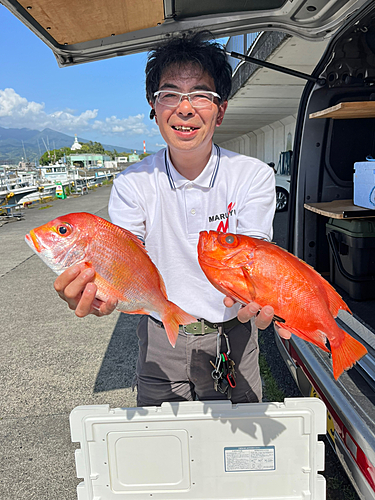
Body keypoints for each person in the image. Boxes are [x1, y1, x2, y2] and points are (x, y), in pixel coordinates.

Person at [54, 31, 290, 406]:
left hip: (233, 334)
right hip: (160, 337)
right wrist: (100, 291)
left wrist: (270, 299)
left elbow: (253, 257)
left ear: (221, 109)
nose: (185, 108)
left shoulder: (252, 175)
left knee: (234, 453)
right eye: (170, 95)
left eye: (200, 94)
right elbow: (123, 257)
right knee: (164, 448)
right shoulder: (133, 183)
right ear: (154, 106)